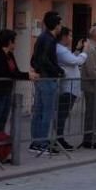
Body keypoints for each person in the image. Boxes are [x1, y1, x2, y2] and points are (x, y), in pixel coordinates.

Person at [0, 29, 33, 160]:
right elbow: (5, 73)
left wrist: (24, 75)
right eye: (14, 41)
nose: (15, 44)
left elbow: (15, 71)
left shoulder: (10, 55)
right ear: (9, 42)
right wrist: (27, 75)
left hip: (6, 91)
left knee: (2, 121)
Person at [29, 11, 64, 153]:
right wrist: (58, 70)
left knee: (39, 111)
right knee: (46, 112)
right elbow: (44, 60)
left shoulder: (41, 38)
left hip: (40, 78)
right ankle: (42, 142)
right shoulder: (49, 39)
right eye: (60, 24)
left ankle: (36, 141)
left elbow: (34, 59)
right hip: (48, 79)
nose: (61, 27)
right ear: (56, 25)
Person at [54, 27, 87, 151]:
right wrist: (85, 51)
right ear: (64, 37)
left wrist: (78, 49)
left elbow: (71, 59)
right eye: (70, 35)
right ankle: (58, 138)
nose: (71, 38)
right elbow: (76, 61)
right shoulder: (61, 50)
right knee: (62, 114)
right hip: (66, 88)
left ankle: (59, 137)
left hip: (71, 88)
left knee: (64, 114)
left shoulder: (64, 50)